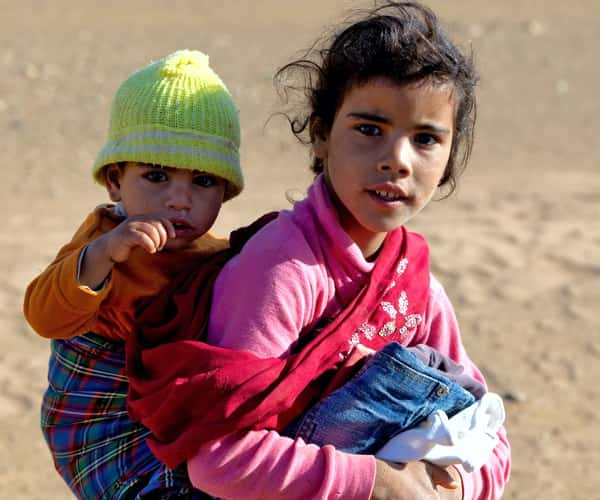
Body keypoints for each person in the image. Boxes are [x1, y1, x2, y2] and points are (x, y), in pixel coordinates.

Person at [126, 2, 510, 499]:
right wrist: (376, 482)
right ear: (322, 134)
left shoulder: (414, 285)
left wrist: (453, 486)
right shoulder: (283, 268)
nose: (396, 159)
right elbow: (220, 459)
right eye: (369, 129)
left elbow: (488, 431)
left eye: (425, 139)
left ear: (450, 160)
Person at [22, 49, 243, 499]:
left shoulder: (219, 259)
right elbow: (43, 316)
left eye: (203, 181)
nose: (179, 199)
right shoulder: (104, 237)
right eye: (157, 176)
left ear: (226, 191)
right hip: (95, 426)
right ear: (115, 181)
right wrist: (102, 255)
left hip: (163, 423)